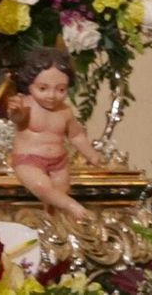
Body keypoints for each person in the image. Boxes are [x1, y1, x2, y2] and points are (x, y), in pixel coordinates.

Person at [6, 47, 100, 220]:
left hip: (59, 163)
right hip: (29, 160)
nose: (52, 95)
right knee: (43, 187)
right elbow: (17, 118)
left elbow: (76, 136)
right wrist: (16, 110)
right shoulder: (25, 104)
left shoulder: (65, 111)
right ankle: (74, 207)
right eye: (43, 88)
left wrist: (91, 154)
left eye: (61, 89)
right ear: (30, 84)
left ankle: (53, 227)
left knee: (59, 195)